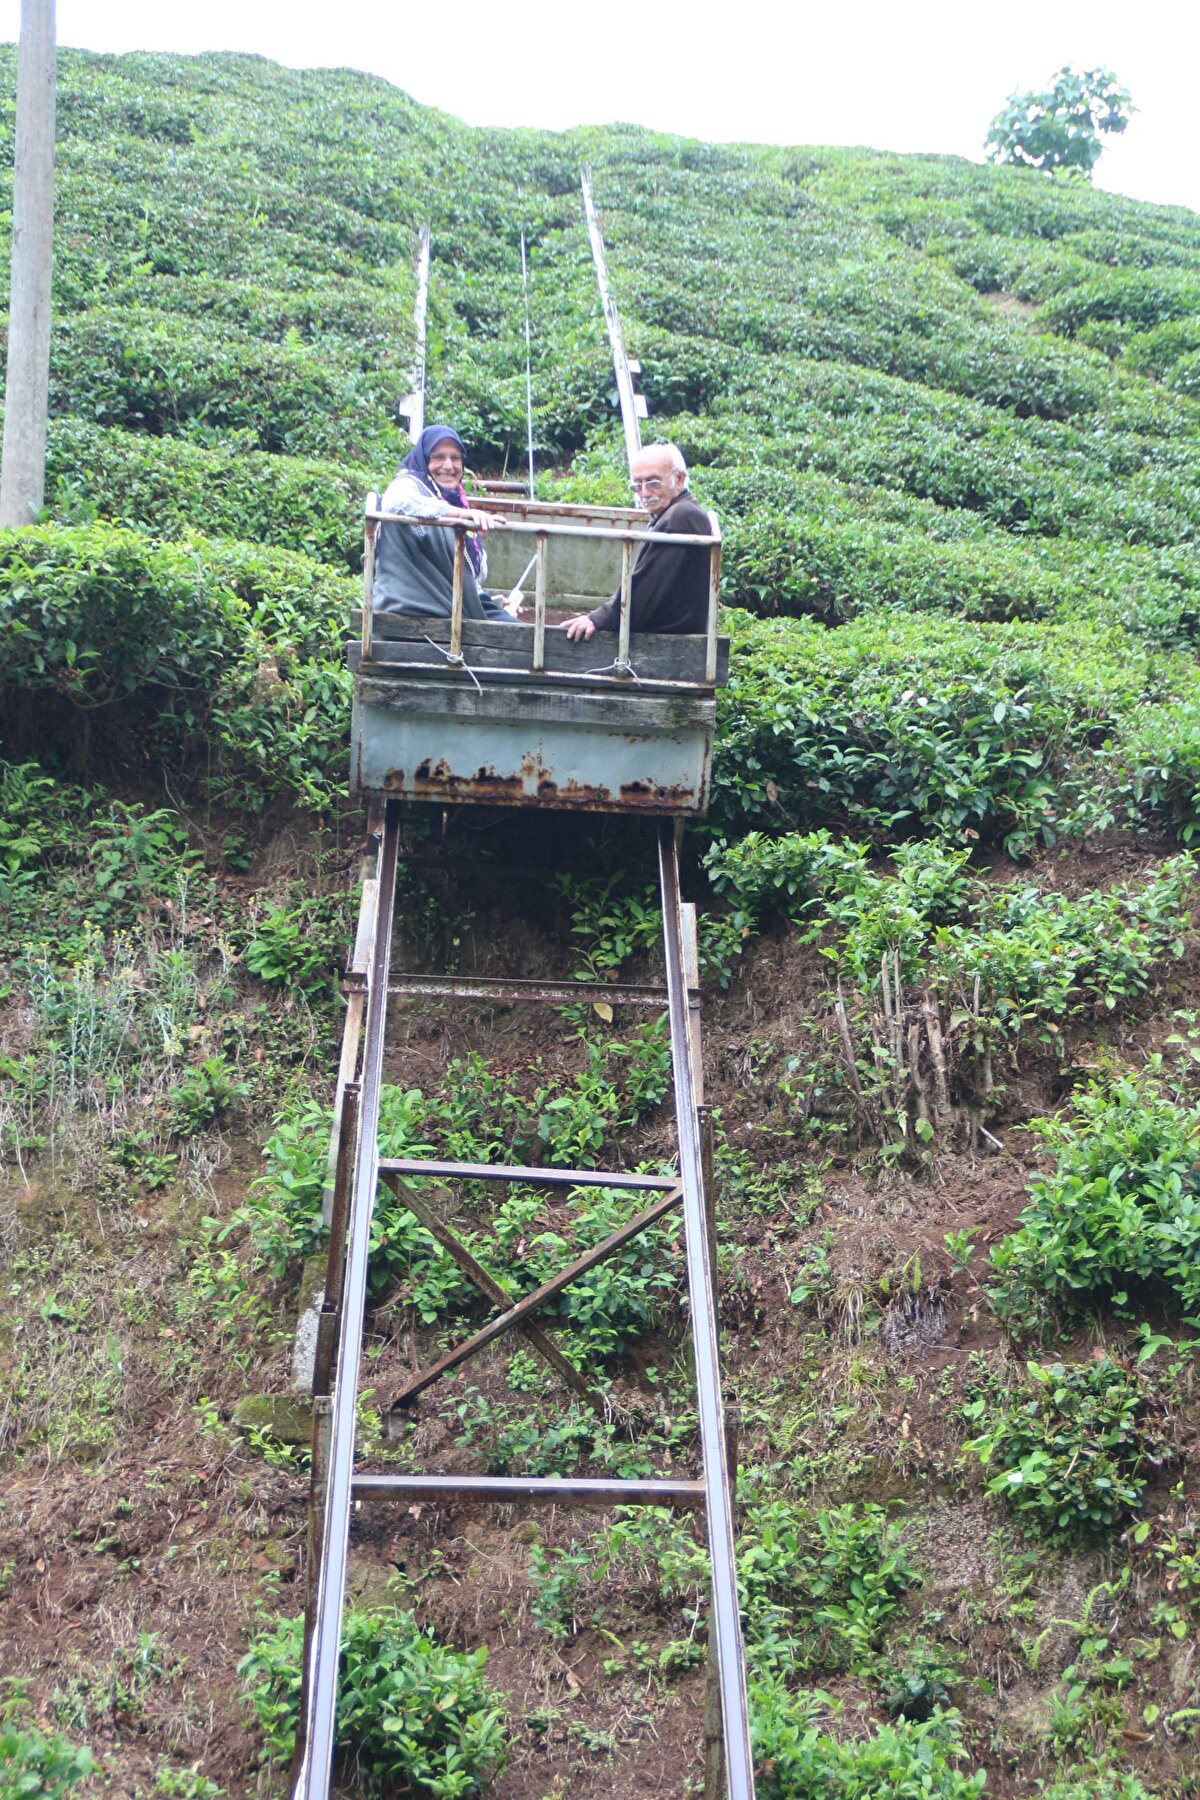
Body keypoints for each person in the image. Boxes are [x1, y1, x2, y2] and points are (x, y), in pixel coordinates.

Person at [563, 443, 712, 641]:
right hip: (668, 637)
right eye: (637, 485)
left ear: (680, 479)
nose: (644, 493)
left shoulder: (681, 516)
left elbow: (646, 592)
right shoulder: (676, 511)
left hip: (668, 643)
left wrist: (599, 618)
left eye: (653, 482)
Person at [373, 425, 521, 623]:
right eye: (439, 457)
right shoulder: (411, 483)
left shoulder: (452, 499)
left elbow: (470, 575)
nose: (449, 466)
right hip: (422, 610)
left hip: (460, 607)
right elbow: (395, 500)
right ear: (424, 459)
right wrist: (462, 515)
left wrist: (495, 601)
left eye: (456, 458)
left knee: (528, 636)